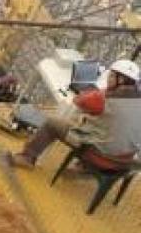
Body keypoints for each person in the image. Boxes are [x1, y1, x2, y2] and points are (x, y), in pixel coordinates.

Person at [8, 59, 141, 169]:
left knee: (52, 123)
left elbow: (79, 100)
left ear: (121, 80)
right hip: (125, 160)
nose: (108, 79)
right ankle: (82, 167)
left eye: (111, 76)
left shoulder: (106, 97)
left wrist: (101, 90)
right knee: (101, 129)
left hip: (101, 156)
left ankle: (27, 157)